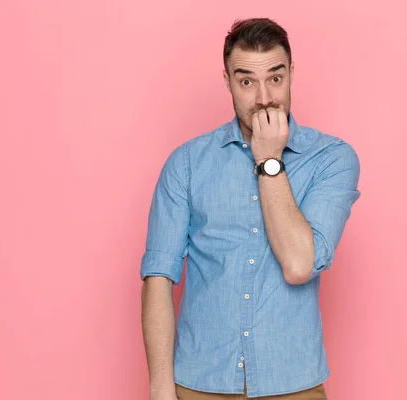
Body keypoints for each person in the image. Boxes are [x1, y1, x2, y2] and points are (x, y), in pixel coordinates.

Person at [140, 17, 361, 400]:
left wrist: (270, 160)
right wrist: (161, 390)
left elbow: (298, 264)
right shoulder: (187, 163)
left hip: (293, 385)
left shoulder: (331, 159)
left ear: (291, 73)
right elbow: (159, 277)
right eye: (246, 81)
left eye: (275, 78)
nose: (263, 97)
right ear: (227, 81)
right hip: (199, 384)